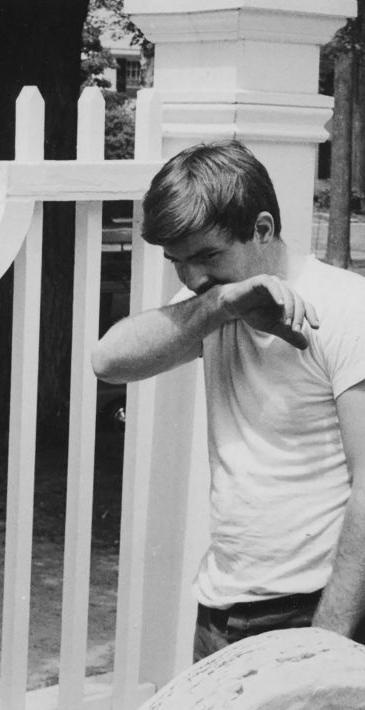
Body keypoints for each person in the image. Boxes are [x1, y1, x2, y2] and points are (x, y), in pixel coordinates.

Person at [91, 139, 365, 662]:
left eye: (208, 256)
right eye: (177, 262)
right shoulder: (215, 301)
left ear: (262, 229)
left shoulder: (347, 308)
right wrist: (221, 304)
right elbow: (109, 361)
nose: (192, 278)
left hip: (317, 612)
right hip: (223, 611)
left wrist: (326, 643)